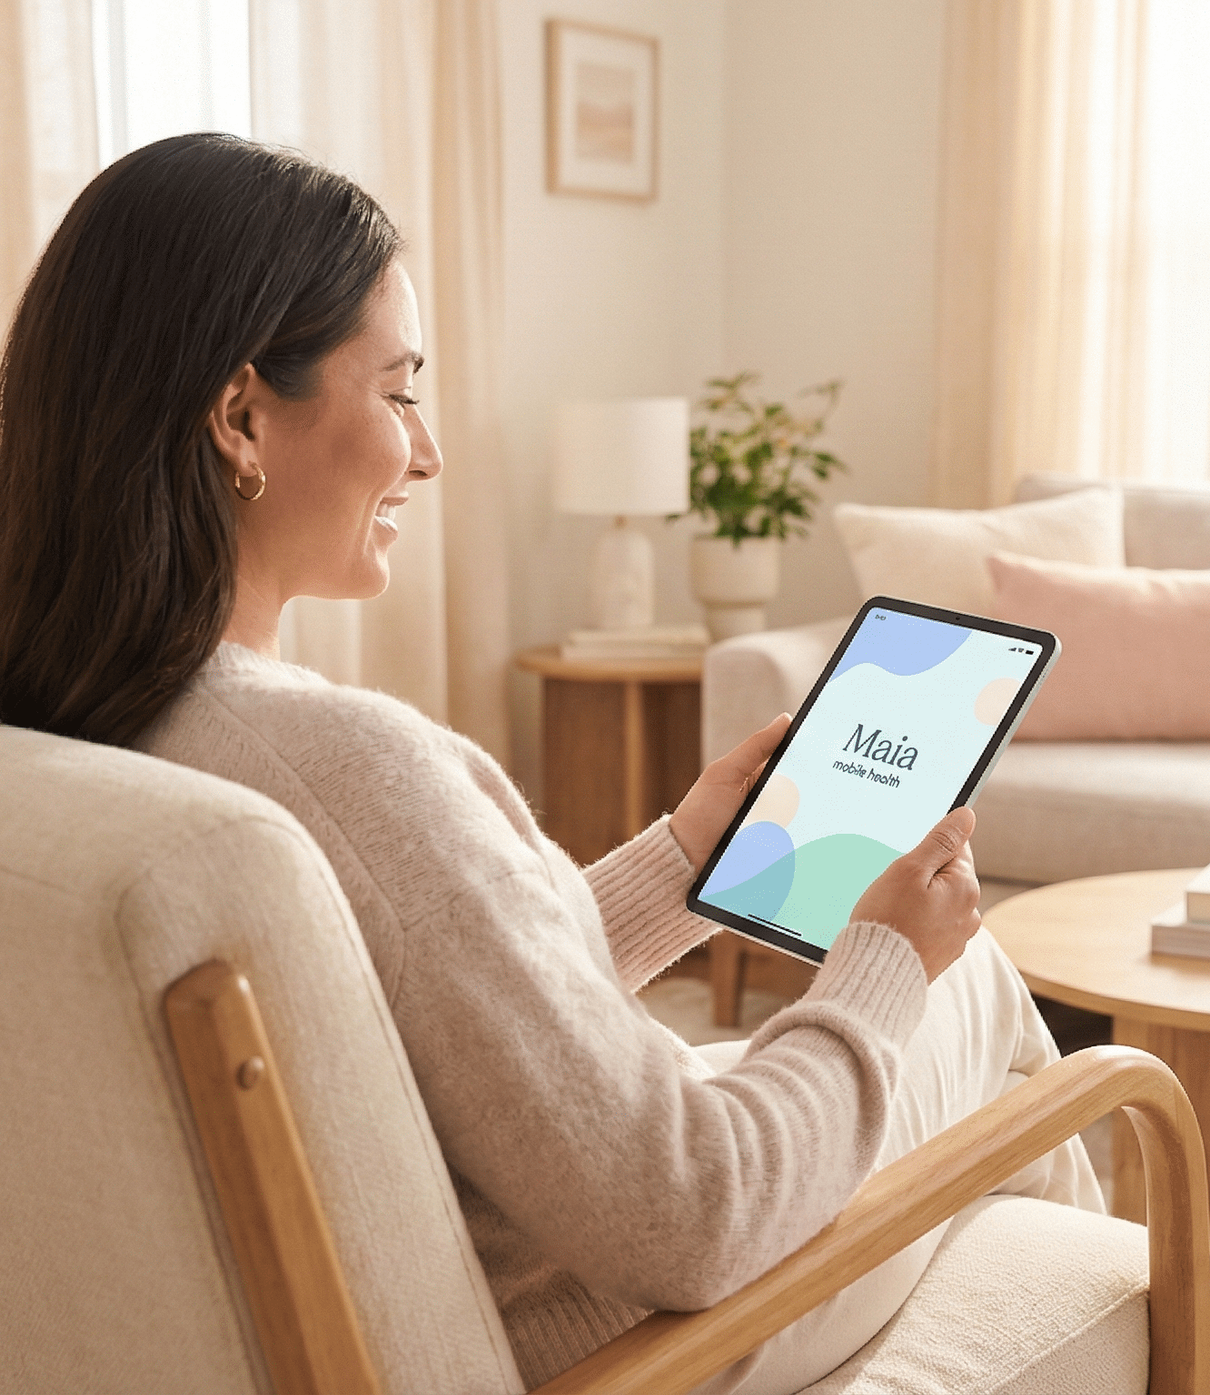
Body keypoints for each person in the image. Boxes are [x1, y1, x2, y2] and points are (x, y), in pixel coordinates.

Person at [0, 133, 1097, 1394]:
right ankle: (1123, 1298)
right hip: (633, 1338)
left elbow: (417, 998)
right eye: (400, 390)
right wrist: (888, 961)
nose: (429, 451)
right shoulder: (356, 772)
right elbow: (698, 1208)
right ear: (241, 417)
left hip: (469, 1275)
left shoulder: (80, 734)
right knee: (974, 985)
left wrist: (682, 861)